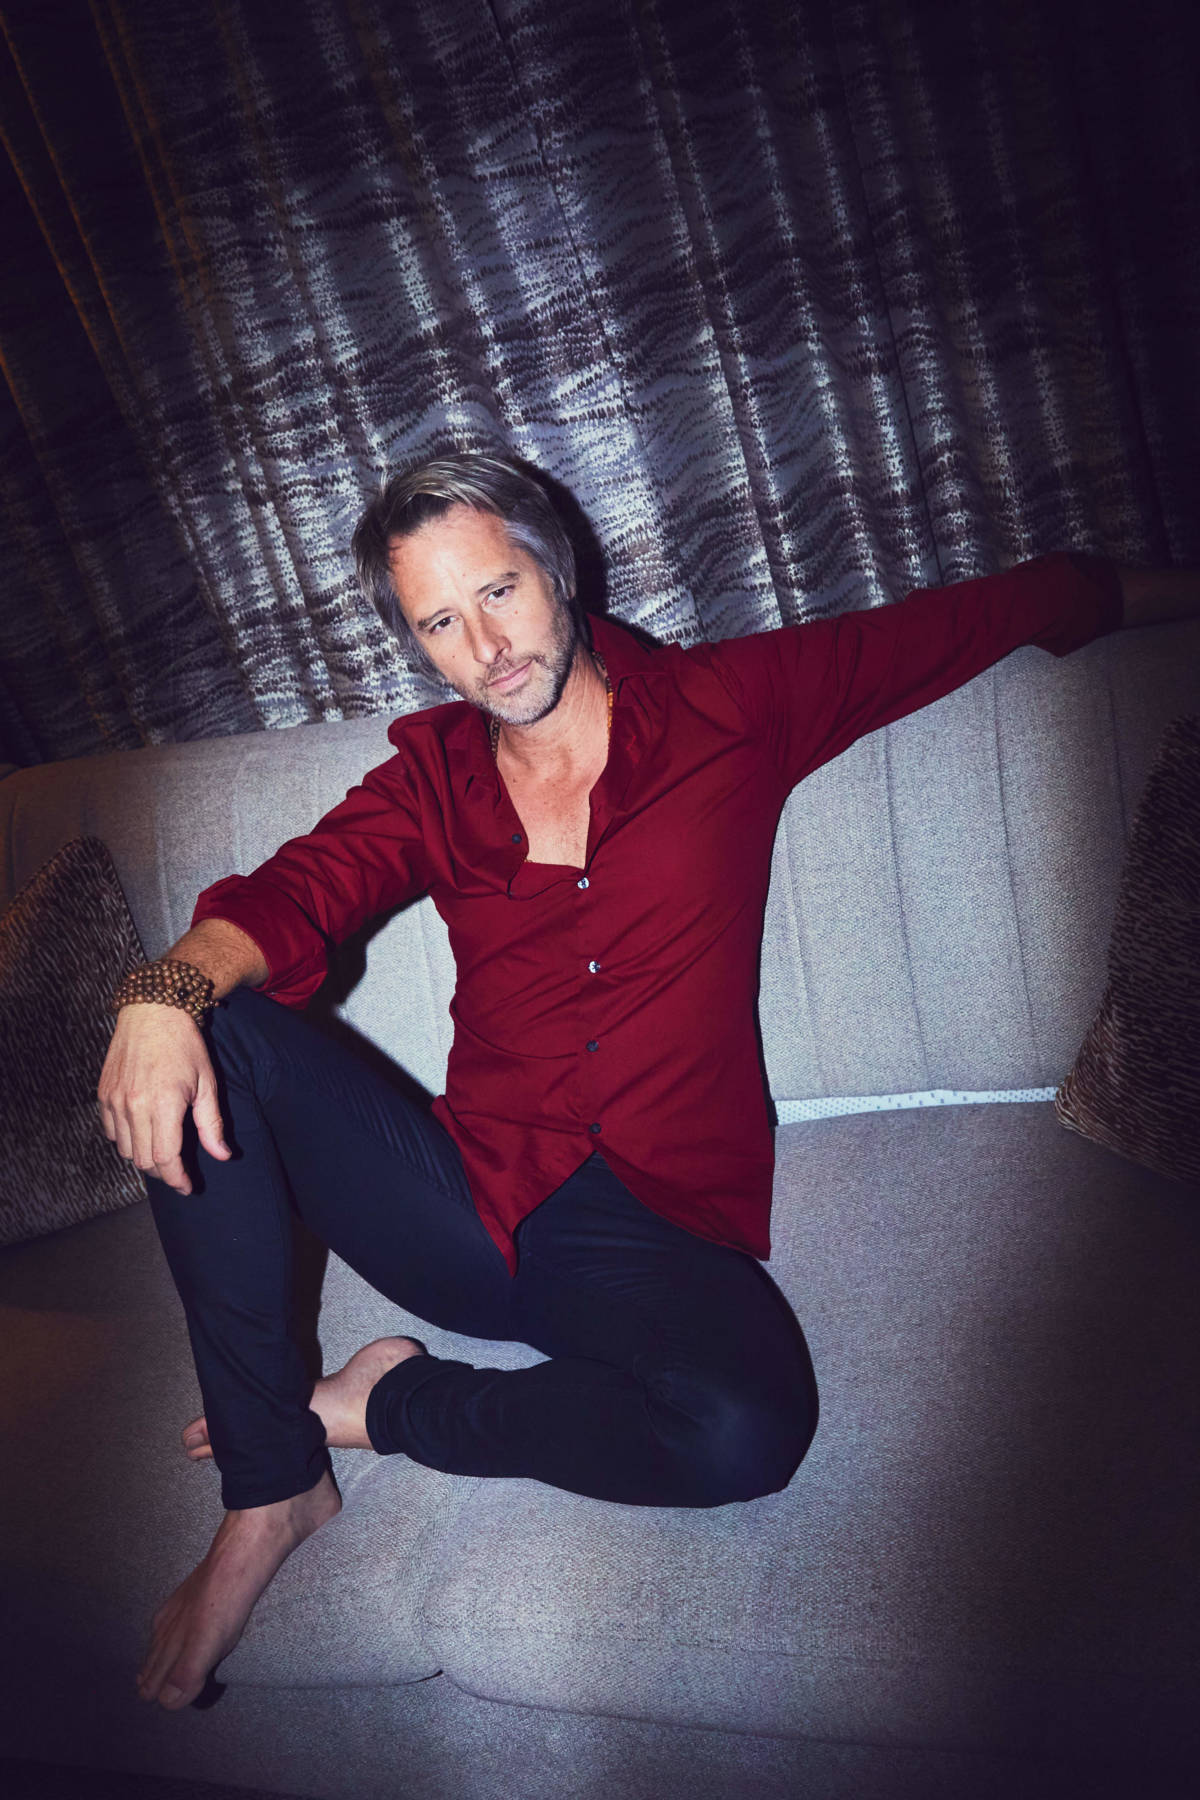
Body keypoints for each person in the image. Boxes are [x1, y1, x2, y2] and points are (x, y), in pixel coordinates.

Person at [99, 450, 1198, 1713]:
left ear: (557, 566)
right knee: (210, 1023)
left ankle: (388, 1402)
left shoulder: (737, 704)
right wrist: (162, 991)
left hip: (655, 1226)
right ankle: (271, 1482)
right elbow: (291, 894)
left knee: (744, 1430)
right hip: (467, 1200)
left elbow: (1019, 607)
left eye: (500, 590)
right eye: (441, 624)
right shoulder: (434, 782)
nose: (488, 647)